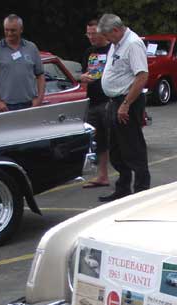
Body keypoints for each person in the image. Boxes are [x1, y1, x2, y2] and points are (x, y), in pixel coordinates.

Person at [97, 13, 151, 202]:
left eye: (107, 36)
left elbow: (142, 76)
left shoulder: (133, 44)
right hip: (115, 101)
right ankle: (123, 188)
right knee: (117, 149)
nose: (106, 40)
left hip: (128, 102)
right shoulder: (117, 43)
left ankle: (142, 190)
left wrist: (126, 104)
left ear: (116, 30)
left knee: (133, 147)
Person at [0, 14, 45, 112]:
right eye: (6, 30)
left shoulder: (31, 47)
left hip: (30, 104)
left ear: (21, 29)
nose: (9, 33)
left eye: (13, 30)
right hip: (6, 107)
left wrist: (40, 99)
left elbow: (40, 75)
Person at [80, 19, 111, 189]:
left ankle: (125, 177)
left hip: (109, 100)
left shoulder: (112, 50)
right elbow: (84, 72)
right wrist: (82, 77)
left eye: (94, 33)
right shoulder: (89, 52)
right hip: (93, 101)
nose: (91, 37)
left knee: (115, 138)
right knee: (98, 141)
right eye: (88, 34)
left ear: (103, 33)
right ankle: (102, 176)